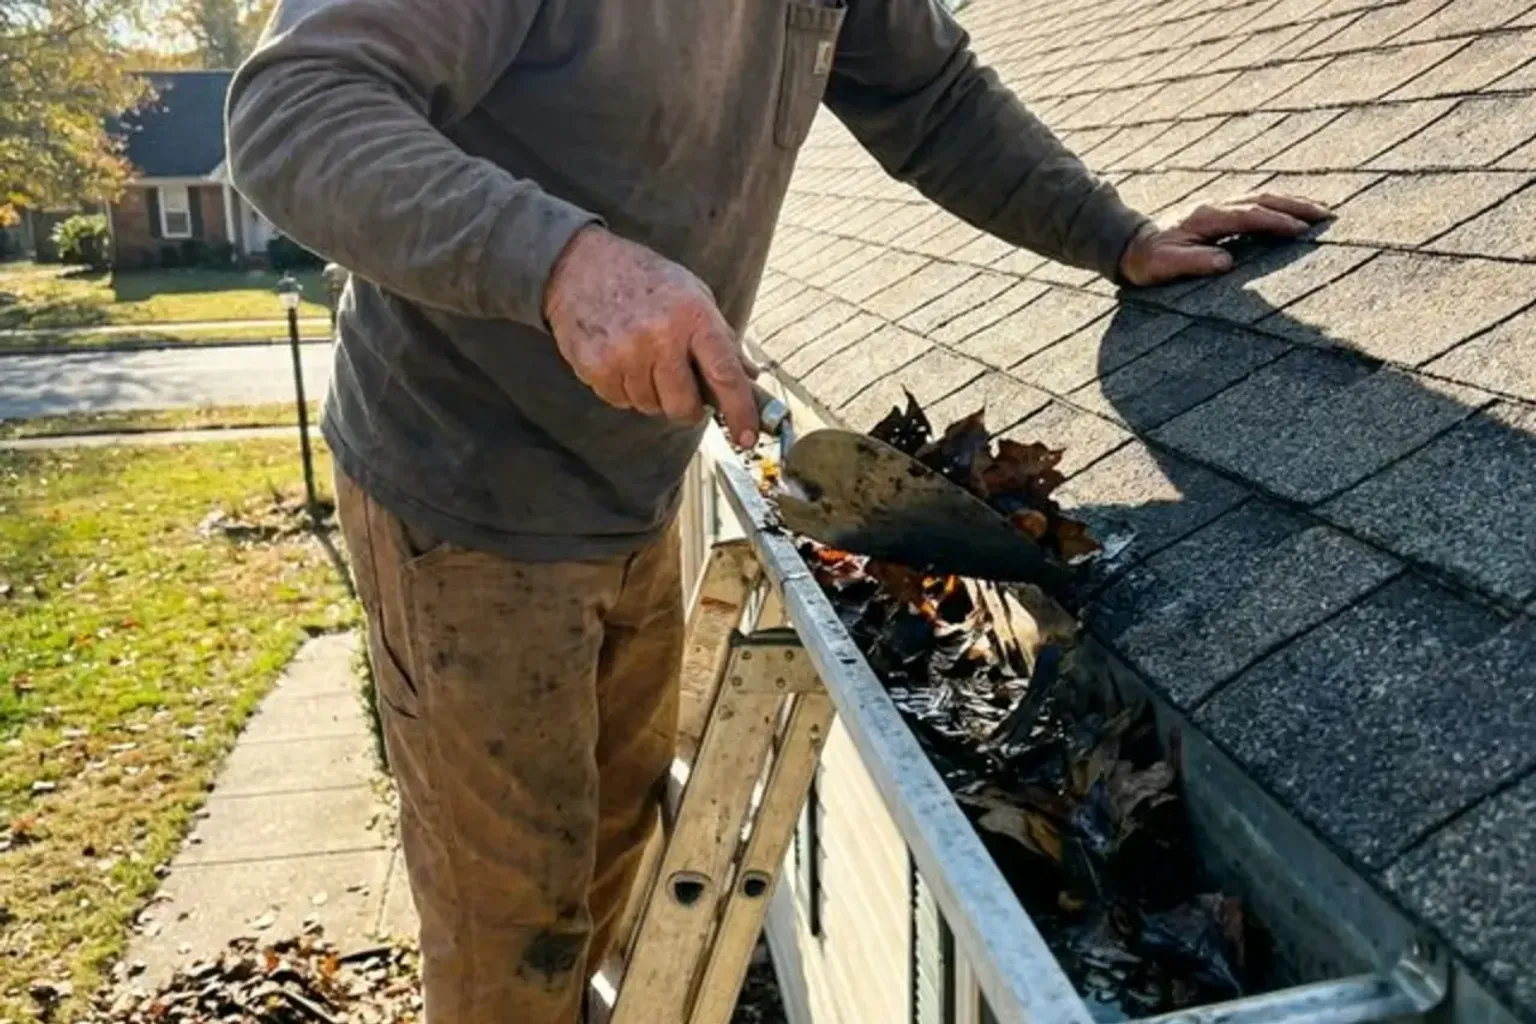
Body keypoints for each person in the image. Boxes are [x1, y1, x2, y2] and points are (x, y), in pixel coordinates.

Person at [225, 2, 1329, 1020]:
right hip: (464, 490)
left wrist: (1111, 234)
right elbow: (294, 109)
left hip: (632, 483)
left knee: (607, 852)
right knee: (515, 931)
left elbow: (931, 97)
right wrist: (565, 264)